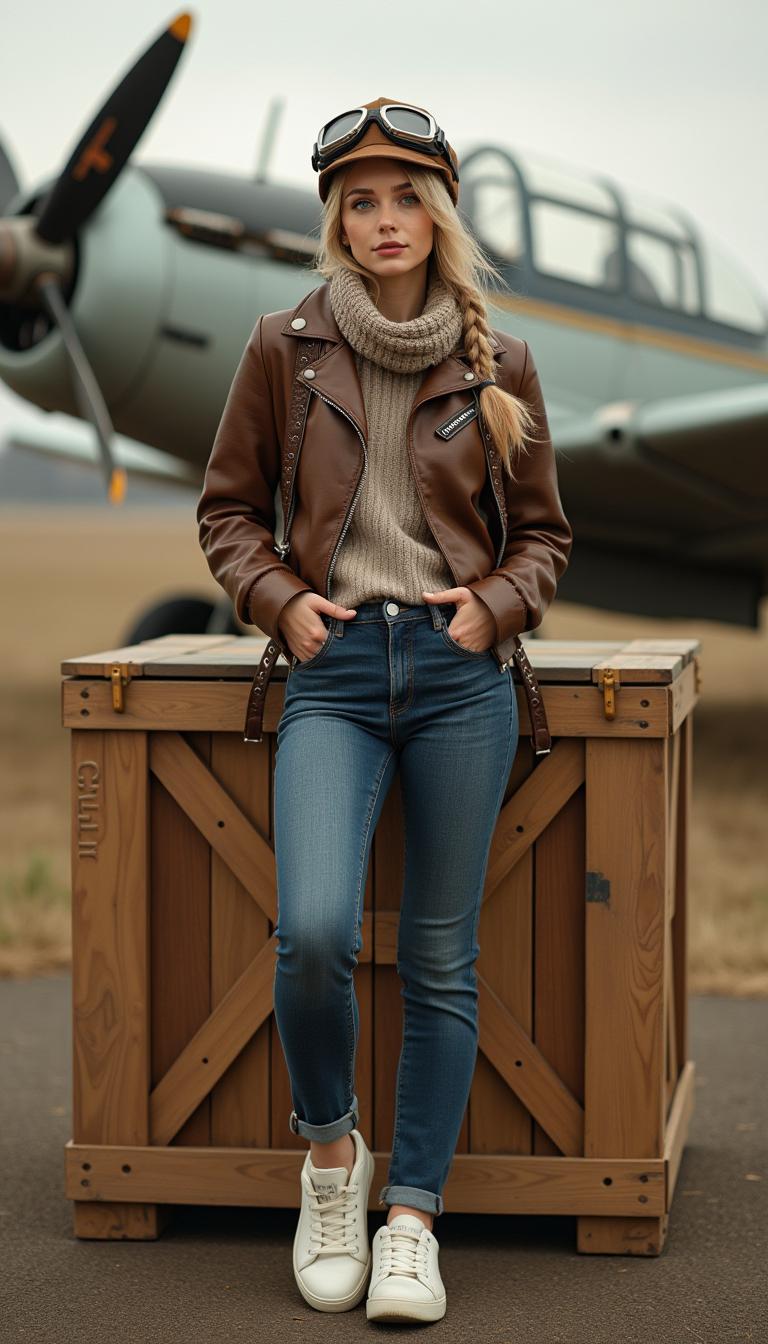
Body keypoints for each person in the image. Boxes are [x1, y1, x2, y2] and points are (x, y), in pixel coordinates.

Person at [196, 97, 573, 1324]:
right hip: (337, 673)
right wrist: (280, 602)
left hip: (461, 677)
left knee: (441, 958)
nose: (385, 219)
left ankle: (412, 1219)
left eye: (406, 196)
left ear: (440, 212)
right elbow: (228, 513)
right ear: (336, 222)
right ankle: (329, 1161)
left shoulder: (500, 363)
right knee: (310, 932)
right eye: (361, 200)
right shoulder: (282, 349)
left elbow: (548, 538)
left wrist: (495, 610)